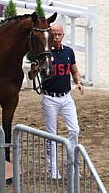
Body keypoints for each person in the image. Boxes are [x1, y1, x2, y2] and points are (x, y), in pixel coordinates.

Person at [32, 22, 83, 179]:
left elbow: (74, 70)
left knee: (74, 130)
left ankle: (71, 164)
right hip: (49, 98)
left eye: (59, 34)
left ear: (63, 35)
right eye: (53, 34)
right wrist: (34, 71)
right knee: (51, 134)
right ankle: (52, 169)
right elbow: (33, 75)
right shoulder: (44, 54)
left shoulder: (68, 52)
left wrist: (78, 81)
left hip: (66, 97)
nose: (56, 36)